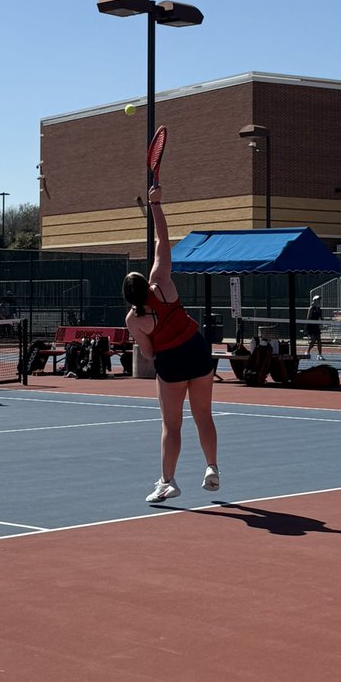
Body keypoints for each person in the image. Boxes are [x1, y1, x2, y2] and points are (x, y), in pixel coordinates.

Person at [123, 183, 219, 503]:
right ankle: (211, 468)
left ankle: (168, 482)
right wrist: (155, 203)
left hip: (171, 360)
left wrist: (153, 341)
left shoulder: (133, 320)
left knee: (171, 425)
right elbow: (163, 239)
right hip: (196, 347)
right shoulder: (161, 280)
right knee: (203, 415)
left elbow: (148, 353)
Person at [305, 294, 324, 360]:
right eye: (318, 300)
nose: (319, 301)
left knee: (319, 340)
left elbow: (321, 318)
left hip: (316, 326)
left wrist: (326, 321)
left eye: (319, 300)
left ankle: (319, 355)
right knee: (313, 340)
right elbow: (308, 317)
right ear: (315, 300)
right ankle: (307, 352)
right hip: (310, 326)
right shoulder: (311, 308)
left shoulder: (319, 310)